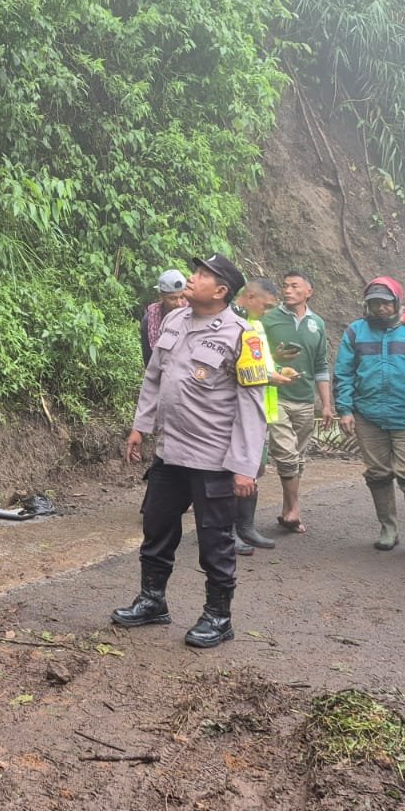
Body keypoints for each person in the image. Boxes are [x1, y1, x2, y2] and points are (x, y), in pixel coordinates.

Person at [112, 255, 270, 648]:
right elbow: (154, 378)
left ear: (220, 291)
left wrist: (245, 467)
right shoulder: (174, 321)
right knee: (156, 526)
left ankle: (218, 616)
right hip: (170, 451)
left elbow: (253, 406)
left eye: (202, 275)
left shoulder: (242, 336)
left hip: (214, 458)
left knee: (215, 539)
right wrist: (140, 426)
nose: (192, 278)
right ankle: (152, 601)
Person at [333, 276, 405, 561]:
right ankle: (388, 530)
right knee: (378, 473)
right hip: (368, 416)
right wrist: (345, 409)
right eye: (374, 303)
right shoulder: (356, 333)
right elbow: (343, 373)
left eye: (385, 302)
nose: (380, 308)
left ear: (397, 301)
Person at [262, 270, 334, 534]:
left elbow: (321, 365)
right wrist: (275, 361)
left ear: (309, 292)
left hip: (305, 399)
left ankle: (286, 509)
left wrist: (326, 404)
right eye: (285, 286)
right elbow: (257, 356)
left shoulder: (318, 323)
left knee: (298, 458)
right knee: (286, 453)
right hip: (275, 396)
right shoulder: (269, 319)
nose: (288, 290)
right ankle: (294, 509)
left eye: (294, 286)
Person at [233, 277, 296, 550]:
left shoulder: (256, 324)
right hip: (237, 412)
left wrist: (278, 370)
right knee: (232, 473)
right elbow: (239, 370)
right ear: (249, 297)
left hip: (261, 412)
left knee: (254, 470)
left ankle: (246, 527)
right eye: (266, 306)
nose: (269, 313)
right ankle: (227, 531)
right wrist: (272, 378)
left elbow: (260, 363)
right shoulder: (231, 324)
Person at [140, 269, 188, 366]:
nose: (179, 303)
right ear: (161, 296)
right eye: (172, 298)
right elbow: (149, 360)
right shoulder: (149, 321)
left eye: (182, 297)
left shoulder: (194, 314)